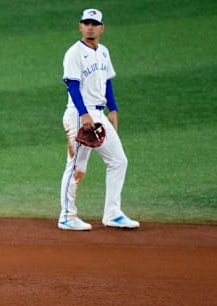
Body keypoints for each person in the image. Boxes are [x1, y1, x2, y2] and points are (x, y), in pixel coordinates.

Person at [58, 9, 140, 231]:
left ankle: (112, 213)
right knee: (77, 167)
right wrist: (84, 114)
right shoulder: (74, 53)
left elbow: (107, 81)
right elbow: (72, 85)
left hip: (99, 114)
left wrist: (112, 108)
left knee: (119, 160)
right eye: (86, 23)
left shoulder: (103, 51)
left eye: (94, 23)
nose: (90, 27)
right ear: (80, 26)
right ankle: (66, 215)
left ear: (102, 28)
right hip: (78, 114)